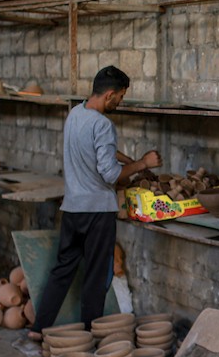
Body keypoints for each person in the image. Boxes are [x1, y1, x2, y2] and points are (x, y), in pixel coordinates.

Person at [27, 66, 161, 340]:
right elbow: (110, 175)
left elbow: (101, 151)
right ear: (110, 94)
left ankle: (38, 329)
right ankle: (91, 336)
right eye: (120, 97)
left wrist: (129, 160)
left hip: (73, 208)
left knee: (62, 270)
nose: (120, 102)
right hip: (98, 213)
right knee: (96, 278)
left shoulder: (75, 114)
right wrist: (142, 164)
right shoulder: (104, 125)